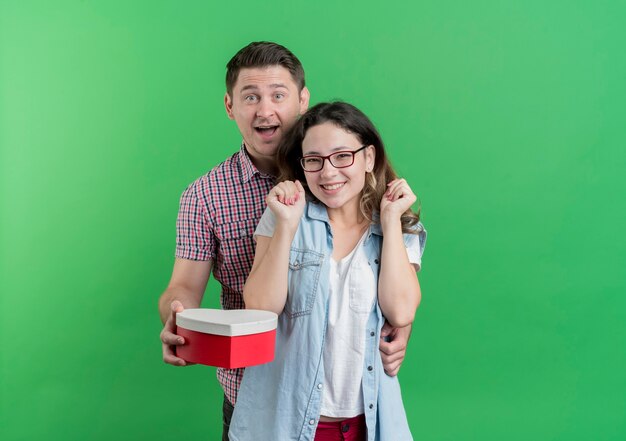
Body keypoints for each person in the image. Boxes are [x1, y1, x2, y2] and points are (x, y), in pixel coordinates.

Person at [158, 42, 414, 440]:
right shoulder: (205, 195)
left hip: (348, 402)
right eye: (250, 97)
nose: (265, 109)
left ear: (302, 99)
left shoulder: (338, 181)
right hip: (255, 398)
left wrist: (396, 324)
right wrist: (179, 317)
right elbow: (184, 286)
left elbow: (376, 292)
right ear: (230, 106)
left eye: (278, 94)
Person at [229, 102, 426, 441]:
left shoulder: (397, 225)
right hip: (285, 422)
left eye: (342, 156)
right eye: (314, 160)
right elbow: (260, 307)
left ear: (369, 158)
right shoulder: (284, 216)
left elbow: (401, 310)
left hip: (368, 421)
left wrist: (391, 221)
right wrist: (287, 226)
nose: (328, 172)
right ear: (302, 165)